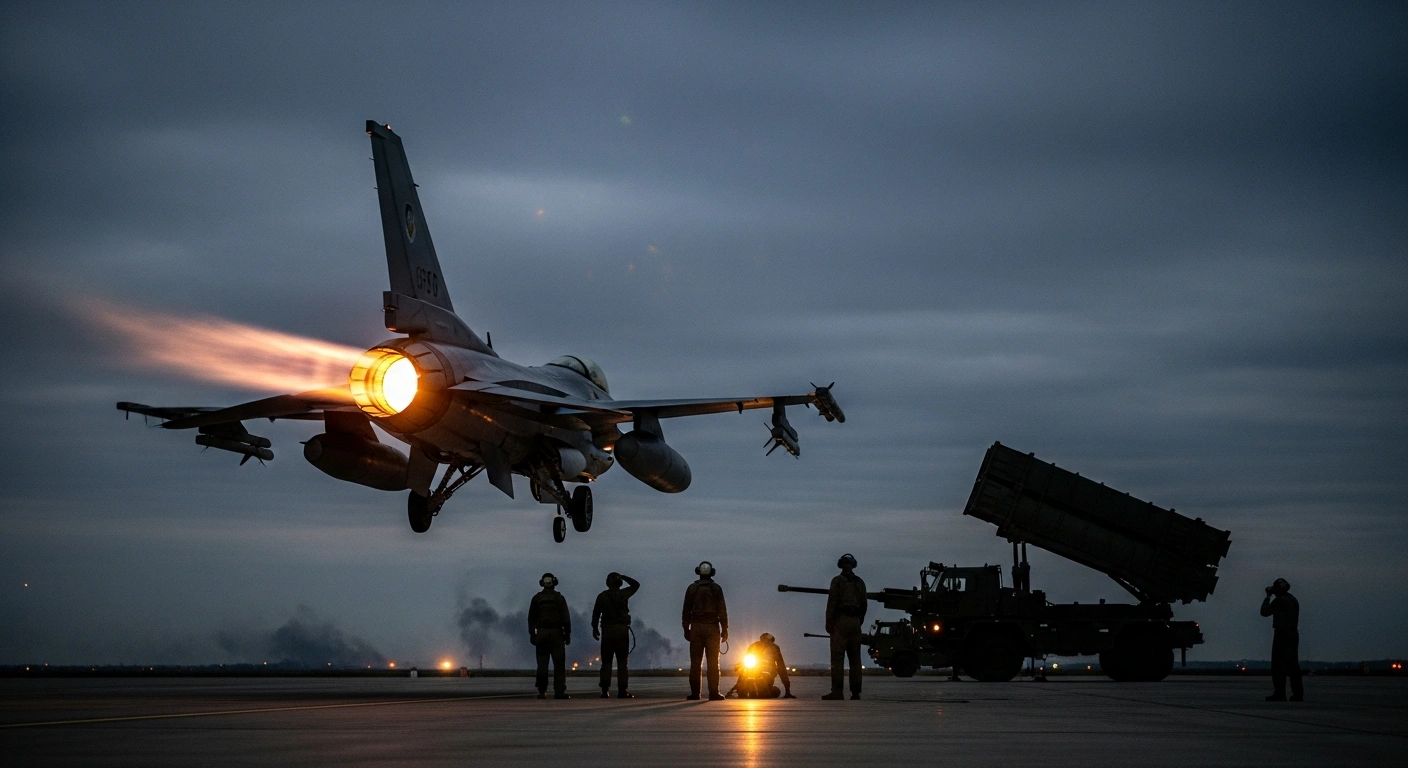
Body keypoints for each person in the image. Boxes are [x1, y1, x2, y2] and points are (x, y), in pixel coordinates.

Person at [682, 560, 728, 701]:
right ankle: (714, 693)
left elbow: (686, 610)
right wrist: (725, 629)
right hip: (712, 628)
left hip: (696, 627)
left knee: (695, 662)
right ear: (712, 572)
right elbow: (722, 610)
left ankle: (695, 693)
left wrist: (686, 628)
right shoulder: (716, 588)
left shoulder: (692, 588)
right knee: (713, 662)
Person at [824, 553, 867, 700]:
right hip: (855, 622)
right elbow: (864, 605)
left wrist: (829, 622)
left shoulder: (837, 581)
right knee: (855, 660)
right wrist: (858, 620)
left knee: (837, 658)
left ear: (841, 565)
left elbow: (832, 603)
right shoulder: (860, 582)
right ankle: (856, 693)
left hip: (841, 621)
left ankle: (837, 691)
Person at [592, 571, 640, 699]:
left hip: (607, 632)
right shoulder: (623, 594)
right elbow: (636, 585)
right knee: (622, 663)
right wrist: (624, 576)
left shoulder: (602, 596)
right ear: (619, 583)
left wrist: (595, 629)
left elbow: (596, 614)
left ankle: (604, 690)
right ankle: (622, 691)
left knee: (606, 663)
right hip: (621, 632)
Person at [528, 572, 572, 699]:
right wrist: (567, 634)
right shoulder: (559, 598)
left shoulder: (537, 598)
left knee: (542, 664)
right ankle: (559, 692)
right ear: (554, 583)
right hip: (556, 634)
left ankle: (542, 691)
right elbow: (566, 618)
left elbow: (531, 618)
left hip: (541, 634)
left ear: (542, 583)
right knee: (559, 664)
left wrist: (532, 634)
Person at [1260, 577, 1303, 702]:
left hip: (1282, 633)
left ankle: (1279, 693)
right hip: (1293, 633)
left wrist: (1268, 596)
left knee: (1278, 664)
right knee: (1293, 665)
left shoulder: (1279, 601)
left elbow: (1264, 612)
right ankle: (1298, 693)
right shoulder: (1293, 599)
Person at [726, 632, 796, 699]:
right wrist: (787, 690)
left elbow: (743, 669)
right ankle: (757, 690)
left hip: (758, 676)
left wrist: (734, 689)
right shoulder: (774, 647)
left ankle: (747, 690)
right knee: (772, 692)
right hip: (761, 677)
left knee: (747, 690)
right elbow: (781, 669)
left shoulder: (754, 645)